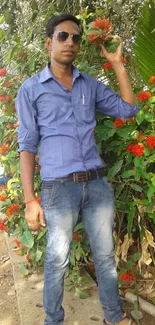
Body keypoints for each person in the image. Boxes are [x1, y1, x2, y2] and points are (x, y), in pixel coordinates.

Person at [16, 13, 140, 325]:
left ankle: (114, 316)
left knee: (105, 258)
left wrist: (118, 65)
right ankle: (53, 320)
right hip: (59, 188)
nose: (70, 42)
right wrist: (30, 200)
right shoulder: (31, 89)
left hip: (97, 186)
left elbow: (127, 109)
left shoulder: (90, 86)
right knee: (57, 260)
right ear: (49, 42)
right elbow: (27, 145)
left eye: (75, 38)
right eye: (62, 36)